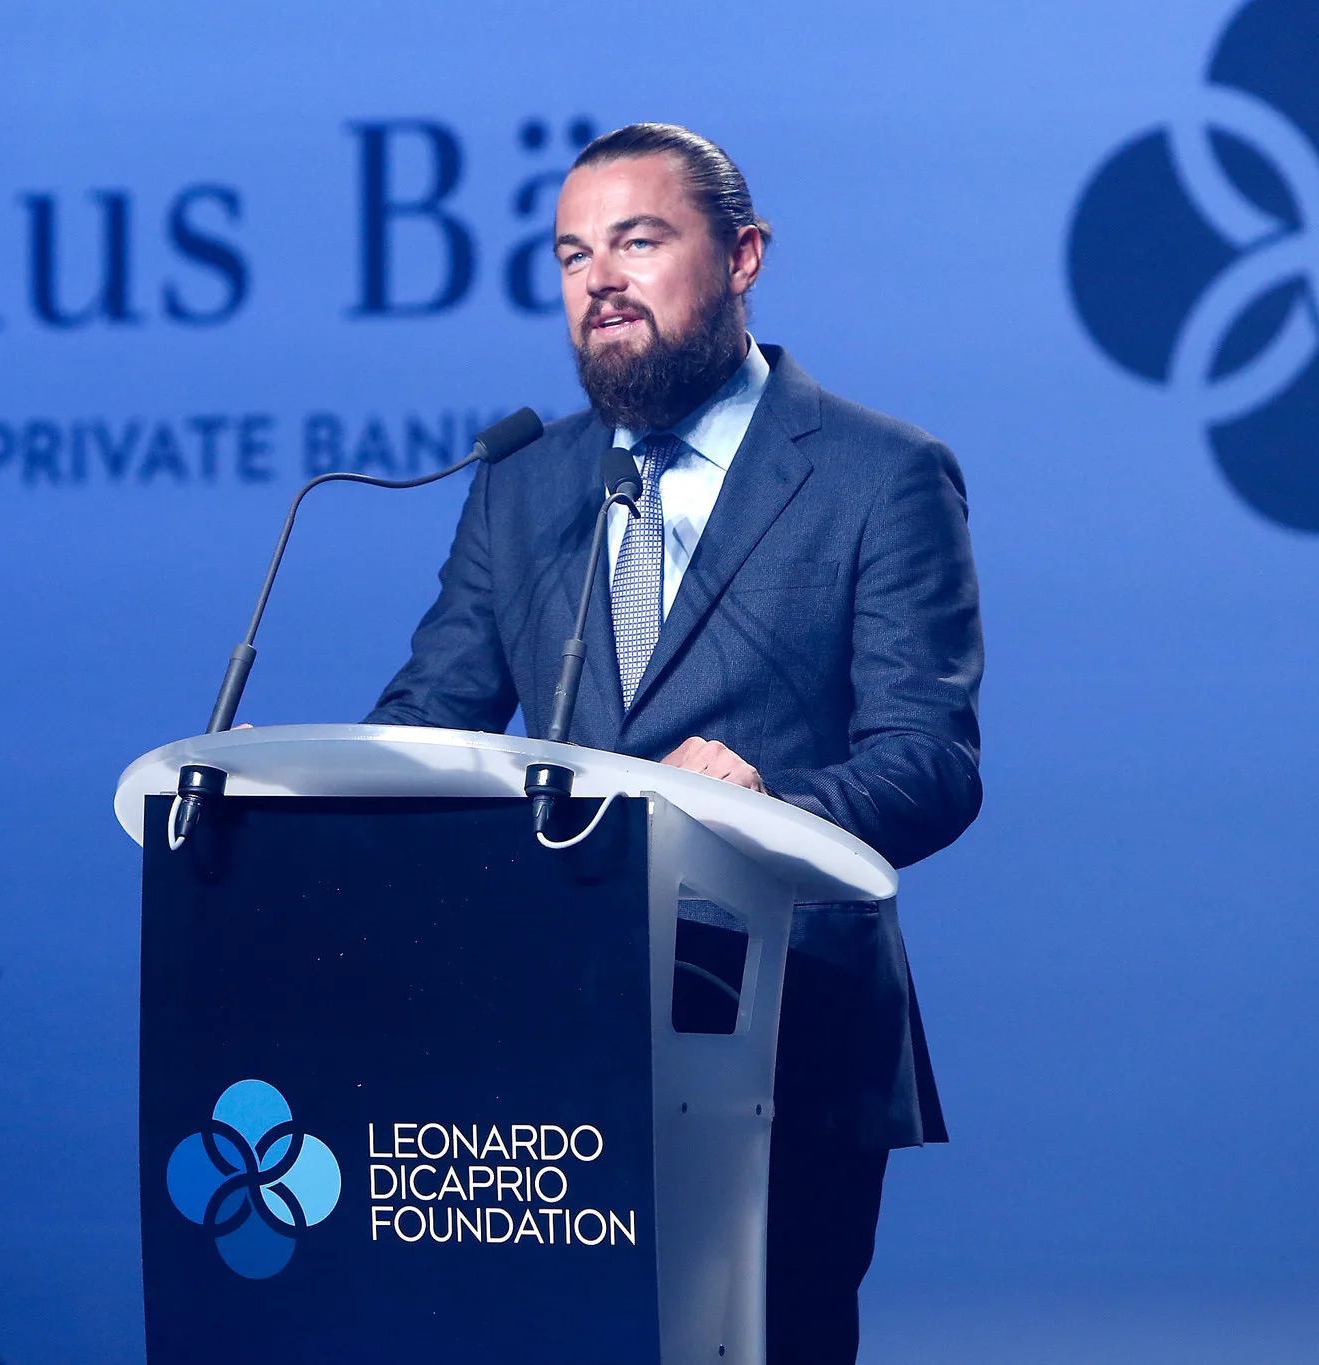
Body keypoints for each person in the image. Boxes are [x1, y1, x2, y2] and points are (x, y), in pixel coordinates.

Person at [366, 122, 984, 1363]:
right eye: (571, 255)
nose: (598, 280)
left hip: (780, 1037)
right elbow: (429, 719)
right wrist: (299, 798)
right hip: (555, 1033)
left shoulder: (878, 473)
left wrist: (765, 805)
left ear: (742, 256)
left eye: (637, 242)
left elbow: (930, 764)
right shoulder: (523, 485)